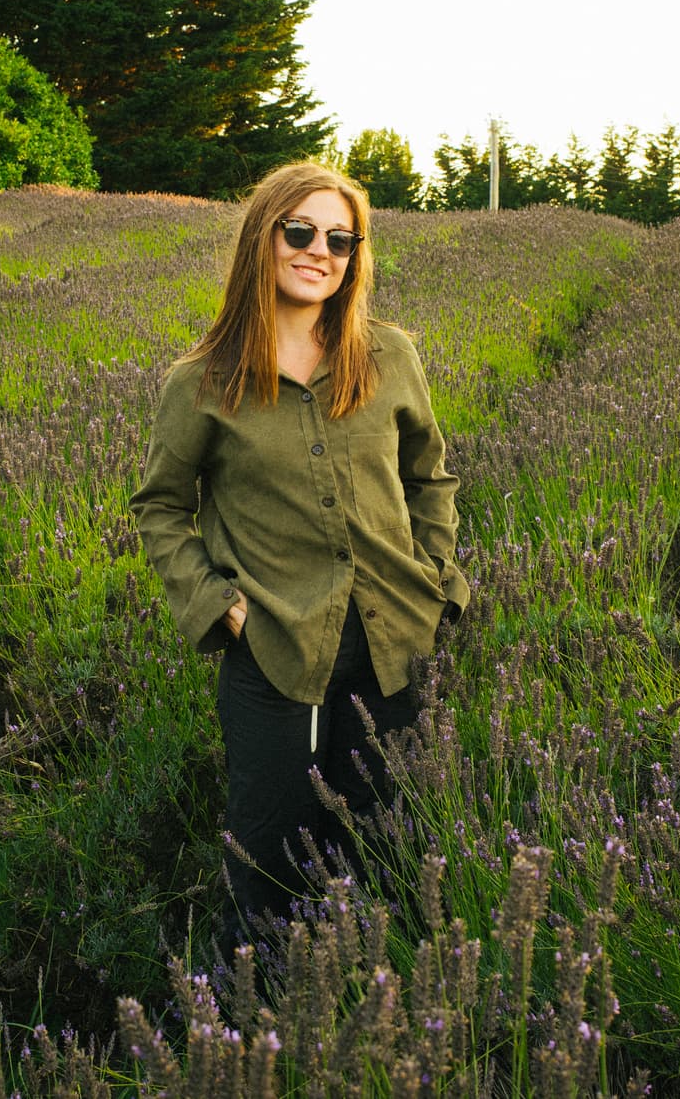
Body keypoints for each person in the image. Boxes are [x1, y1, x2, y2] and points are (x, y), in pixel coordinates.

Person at [129, 161, 470, 937]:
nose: (321, 250)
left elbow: (431, 477)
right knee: (266, 858)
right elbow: (160, 507)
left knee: (389, 847)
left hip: (392, 634)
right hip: (273, 641)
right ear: (264, 238)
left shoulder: (390, 358)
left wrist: (438, 578)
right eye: (301, 232)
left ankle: (378, 1012)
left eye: (342, 240)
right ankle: (259, 1025)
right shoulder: (203, 382)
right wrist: (218, 607)